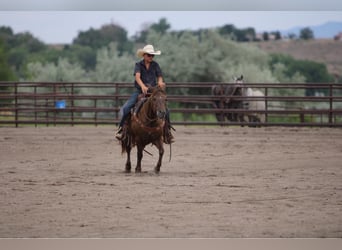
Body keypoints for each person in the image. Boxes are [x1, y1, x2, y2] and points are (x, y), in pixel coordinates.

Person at [115, 44, 174, 144]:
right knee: (126, 108)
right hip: (139, 91)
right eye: (149, 55)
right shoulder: (138, 65)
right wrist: (142, 86)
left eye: (152, 55)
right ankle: (122, 130)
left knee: (166, 110)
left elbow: (159, 76)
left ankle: (167, 132)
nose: (151, 57)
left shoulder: (155, 65)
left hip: (153, 92)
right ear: (144, 55)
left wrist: (160, 82)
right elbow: (137, 77)